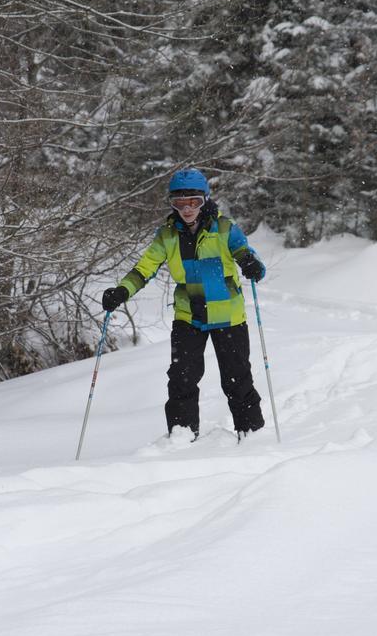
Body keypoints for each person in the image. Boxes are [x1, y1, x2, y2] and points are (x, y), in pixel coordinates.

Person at [102, 168, 266, 441]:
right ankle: (182, 436)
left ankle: (251, 435)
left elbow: (246, 253)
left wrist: (252, 265)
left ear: (205, 200)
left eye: (193, 202)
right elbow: (144, 269)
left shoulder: (224, 228)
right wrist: (121, 291)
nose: (187, 209)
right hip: (189, 316)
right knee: (182, 378)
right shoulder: (167, 236)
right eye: (179, 203)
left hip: (228, 315)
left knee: (237, 378)